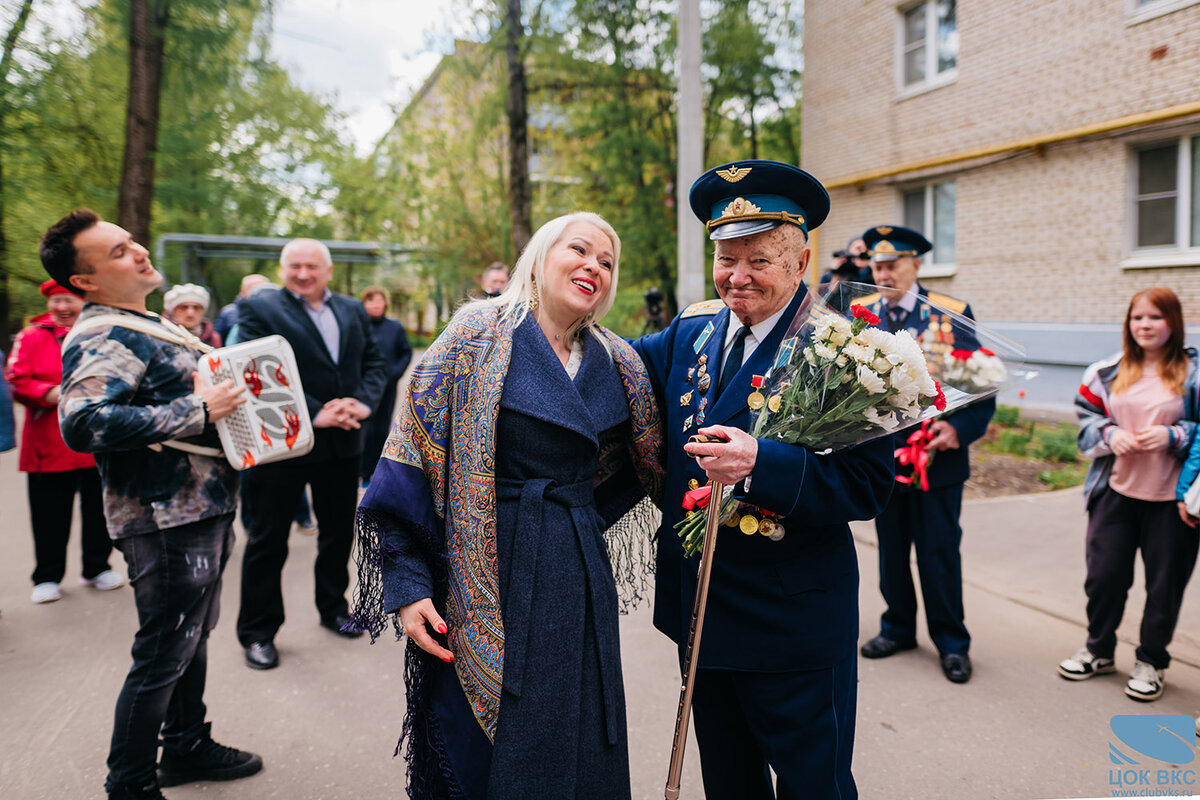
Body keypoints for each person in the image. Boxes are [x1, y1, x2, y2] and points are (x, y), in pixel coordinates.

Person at [349, 212, 663, 799]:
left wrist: (581, 519)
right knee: (478, 741)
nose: (593, 266)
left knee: (579, 729)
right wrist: (408, 583)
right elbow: (411, 458)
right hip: (481, 569)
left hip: (576, 574)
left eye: (607, 261)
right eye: (581, 249)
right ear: (541, 255)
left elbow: (631, 468)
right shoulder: (475, 334)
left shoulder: (619, 362)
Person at [632, 161, 895, 799]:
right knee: (729, 784)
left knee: (815, 787)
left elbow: (865, 488)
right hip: (701, 612)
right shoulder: (691, 333)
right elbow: (610, 371)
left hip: (792, 623)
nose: (737, 276)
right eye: (726, 257)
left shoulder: (845, 349)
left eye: (759, 259)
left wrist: (762, 465)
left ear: (801, 261)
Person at [44, 208, 261, 800]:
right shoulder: (103, 333)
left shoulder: (145, 323)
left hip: (201, 505)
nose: (137, 251)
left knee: (189, 637)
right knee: (164, 649)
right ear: (84, 280)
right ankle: (131, 783)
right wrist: (200, 411)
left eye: (131, 241)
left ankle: (186, 744)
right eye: (117, 252)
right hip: (164, 519)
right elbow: (82, 421)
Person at [235, 238, 386, 669]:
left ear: (328, 271)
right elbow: (254, 373)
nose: (303, 273)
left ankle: (333, 609)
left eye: (312, 266)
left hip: (344, 441)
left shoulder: (353, 310)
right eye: (295, 266)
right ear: (283, 269)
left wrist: (362, 402)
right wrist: (315, 413)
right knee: (268, 541)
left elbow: (373, 364)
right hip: (285, 443)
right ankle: (258, 632)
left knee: (338, 533)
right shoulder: (259, 308)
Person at [855, 224, 995, 684]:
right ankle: (897, 628)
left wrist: (959, 428)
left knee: (938, 552)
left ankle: (952, 642)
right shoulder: (861, 314)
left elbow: (981, 379)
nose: (883, 272)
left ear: (916, 264)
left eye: (892, 264)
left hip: (936, 455)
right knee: (891, 550)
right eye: (877, 265)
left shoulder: (950, 312)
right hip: (882, 455)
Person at [1059, 287, 1199, 702]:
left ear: (1172, 323)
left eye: (1155, 317)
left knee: (1164, 587)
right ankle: (1098, 650)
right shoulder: (1105, 371)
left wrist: (1176, 434)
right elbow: (1085, 419)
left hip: (1173, 502)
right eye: (1138, 318)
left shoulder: (1193, 373)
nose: (1145, 325)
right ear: (1128, 323)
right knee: (1104, 578)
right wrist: (1110, 433)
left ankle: (1151, 661)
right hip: (1115, 491)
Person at [6, 279, 122, 604]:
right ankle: (47, 575)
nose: (61, 308)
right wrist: (50, 393)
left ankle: (97, 567)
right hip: (48, 441)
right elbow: (16, 379)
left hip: (96, 439)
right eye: (55, 300)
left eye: (68, 300)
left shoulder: (103, 333)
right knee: (48, 513)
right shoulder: (30, 336)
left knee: (99, 508)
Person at [358, 285, 412, 486]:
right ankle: (363, 473)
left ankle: (377, 472)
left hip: (387, 387)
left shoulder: (394, 327)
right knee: (365, 428)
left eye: (380, 301)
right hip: (364, 387)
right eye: (371, 300)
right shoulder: (358, 326)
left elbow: (405, 353)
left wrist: (396, 374)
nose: (376, 305)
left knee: (382, 429)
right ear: (364, 303)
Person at [213, 273, 270, 341]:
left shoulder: (275, 312)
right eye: (253, 289)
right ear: (242, 291)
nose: (258, 293)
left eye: (262, 289)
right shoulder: (228, 312)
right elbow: (218, 339)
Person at [163, 282, 222, 348]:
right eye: (184, 307)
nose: (190, 313)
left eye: (196, 307)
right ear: (173, 311)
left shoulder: (213, 338)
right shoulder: (161, 335)